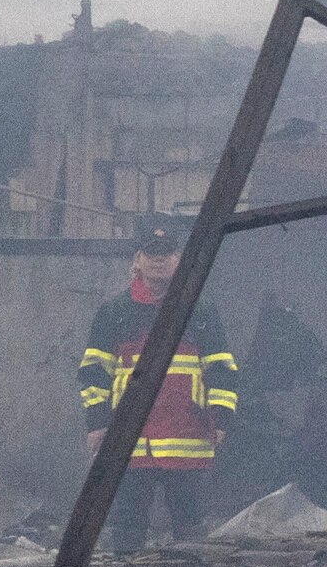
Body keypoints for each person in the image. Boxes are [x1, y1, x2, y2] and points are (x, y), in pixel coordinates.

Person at [80, 229, 235, 548]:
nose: (159, 259)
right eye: (151, 252)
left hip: (187, 436)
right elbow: (94, 372)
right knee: (128, 521)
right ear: (137, 260)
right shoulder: (114, 312)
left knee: (189, 522)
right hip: (131, 440)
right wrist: (96, 423)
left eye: (167, 251)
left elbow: (221, 369)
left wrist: (220, 419)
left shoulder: (200, 311)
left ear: (180, 260)